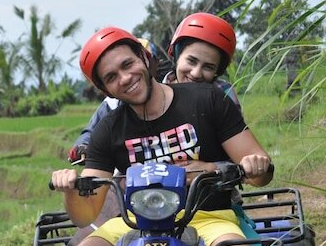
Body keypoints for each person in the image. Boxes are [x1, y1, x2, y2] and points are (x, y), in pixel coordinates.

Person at [50, 26, 273, 246]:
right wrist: (70, 191)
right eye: (111, 77)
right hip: (134, 223)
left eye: (127, 64)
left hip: (208, 217)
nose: (125, 78)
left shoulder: (208, 99)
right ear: (105, 90)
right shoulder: (107, 129)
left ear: (144, 58)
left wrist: (254, 166)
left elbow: (261, 175)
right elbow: (85, 216)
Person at [68, 12, 240, 164]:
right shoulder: (142, 91)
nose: (196, 73)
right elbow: (95, 129)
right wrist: (83, 146)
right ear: (176, 55)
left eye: (208, 67)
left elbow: (237, 150)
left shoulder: (220, 95)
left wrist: (212, 169)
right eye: (191, 61)